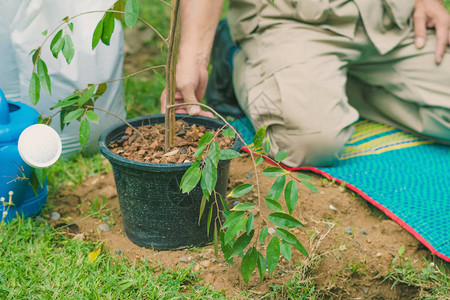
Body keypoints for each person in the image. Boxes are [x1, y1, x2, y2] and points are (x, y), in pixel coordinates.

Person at [160, 0, 450, 167]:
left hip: (389, 16)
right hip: (290, 21)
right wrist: (195, 57)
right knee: (311, 143)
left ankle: (328, 83)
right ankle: (235, 58)